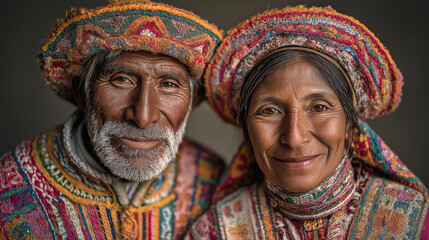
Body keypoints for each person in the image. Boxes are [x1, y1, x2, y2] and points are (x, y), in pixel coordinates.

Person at [188, 5, 429, 239]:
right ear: (247, 127)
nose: (294, 138)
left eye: (319, 108)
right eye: (270, 110)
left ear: (349, 124)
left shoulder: (415, 221)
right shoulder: (216, 230)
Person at [0, 0, 225, 239]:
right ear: (81, 92)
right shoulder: (10, 189)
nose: (143, 117)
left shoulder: (213, 181)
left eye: (168, 85)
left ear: (192, 102)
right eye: (121, 80)